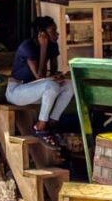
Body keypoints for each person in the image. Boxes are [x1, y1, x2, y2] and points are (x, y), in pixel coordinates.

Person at [8, 16, 75, 145]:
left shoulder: (53, 46)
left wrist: (60, 77)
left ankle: (52, 123)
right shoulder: (27, 46)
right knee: (51, 86)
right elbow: (40, 76)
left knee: (70, 85)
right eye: (53, 30)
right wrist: (43, 48)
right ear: (42, 33)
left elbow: (53, 72)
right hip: (17, 91)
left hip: (37, 90)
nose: (57, 33)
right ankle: (40, 126)